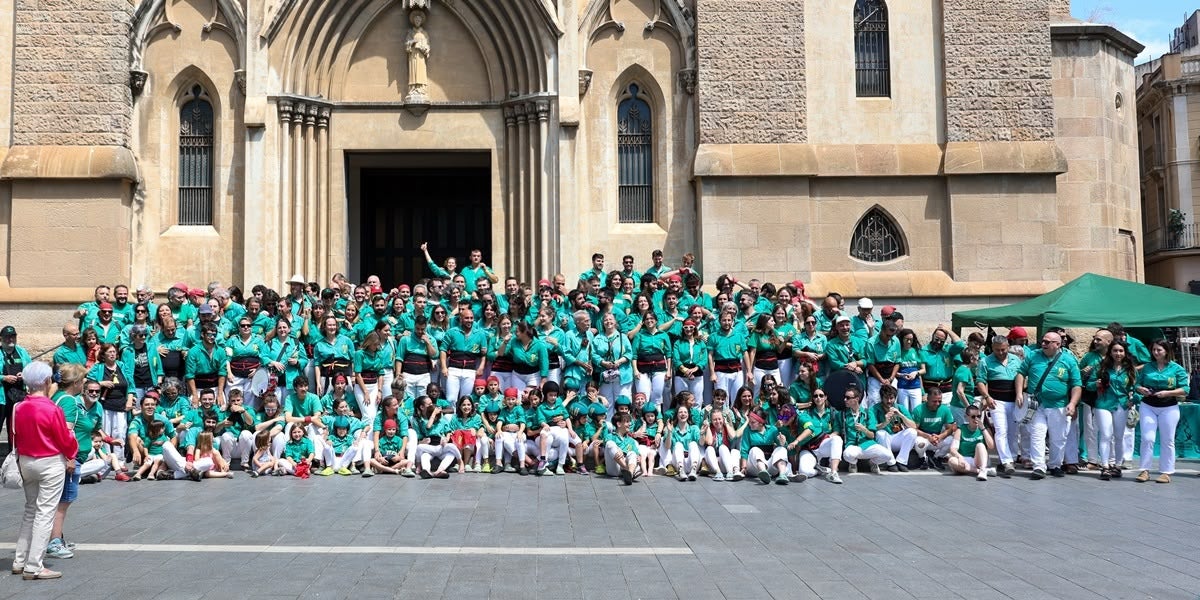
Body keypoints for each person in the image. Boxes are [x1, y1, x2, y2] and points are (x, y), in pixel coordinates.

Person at [11, 361, 76, 581]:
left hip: (26, 461)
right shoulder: (52, 408)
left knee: (30, 510)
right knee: (44, 513)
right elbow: (65, 440)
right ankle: (34, 565)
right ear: (47, 381)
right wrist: (73, 448)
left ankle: (20, 560)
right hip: (49, 463)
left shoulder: (18, 407)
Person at [47, 364, 99, 559]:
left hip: (65, 457)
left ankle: (57, 537)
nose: (84, 383)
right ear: (76, 382)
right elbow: (67, 430)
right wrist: (70, 457)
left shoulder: (58, 397)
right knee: (63, 502)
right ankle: (53, 542)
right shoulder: (68, 401)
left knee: (59, 501)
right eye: (83, 380)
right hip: (70, 458)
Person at [1015, 330, 1081, 480]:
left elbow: (1076, 384)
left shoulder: (1069, 360)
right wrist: (1019, 392)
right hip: (1036, 403)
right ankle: (1039, 466)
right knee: (1037, 434)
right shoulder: (1033, 355)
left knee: (1058, 438)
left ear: (1057, 344)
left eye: (1047, 342)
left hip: (1059, 405)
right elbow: (1020, 373)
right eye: (1042, 341)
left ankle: (1055, 465)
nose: (1043, 344)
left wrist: (1073, 403)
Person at [1133, 339, 1190, 484]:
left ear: (1166, 351)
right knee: (1147, 438)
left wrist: (1168, 393)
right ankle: (1144, 470)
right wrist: (1141, 389)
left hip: (1169, 407)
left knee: (1168, 440)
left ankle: (1166, 471)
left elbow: (1185, 389)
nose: (1156, 352)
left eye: (1159, 350)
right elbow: (1137, 384)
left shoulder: (1177, 368)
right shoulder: (1147, 367)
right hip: (1148, 405)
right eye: (1154, 350)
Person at [976, 335, 1022, 476]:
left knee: (1013, 431)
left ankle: (1012, 457)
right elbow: (980, 381)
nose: (1001, 353)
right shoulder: (985, 361)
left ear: (1008, 347)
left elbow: (1021, 377)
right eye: (997, 350)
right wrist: (987, 396)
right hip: (996, 401)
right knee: (1001, 430)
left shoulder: (1016, 360)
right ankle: (1006, 460)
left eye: (1003, 349)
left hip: (1013, 400)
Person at [1095, 341, 1137, 481]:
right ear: (1110, 352)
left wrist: (1134, 399)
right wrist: (1096, 384)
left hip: (1122, 404)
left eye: (1121, 351)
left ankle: (1118, 466)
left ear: (1125, 353)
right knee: (1106, 435)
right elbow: (1088, 384)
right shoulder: (1102, 367)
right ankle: (1105, 466)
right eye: (1115, 350)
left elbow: (1137, 387)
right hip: (1104, 403)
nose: (1118, 353)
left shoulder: (1130, 369)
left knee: (1119, 436)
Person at [839, 386, 898, 474]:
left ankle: (873, 462)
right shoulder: (841, 414)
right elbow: (837, 430)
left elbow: (872, 435)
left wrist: (864, 429)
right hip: (852, 445)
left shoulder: (868, 412)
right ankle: (853, 463)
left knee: (888, 455)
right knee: (847, 454)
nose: (845, 400)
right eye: (845, 397)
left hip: (868, 445)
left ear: (857, 399)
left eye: (848, 398)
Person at [871, 385, 916, 471]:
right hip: (883, 441)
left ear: (895, 398)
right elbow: (872, 428)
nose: (889, 401)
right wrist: (885, 422)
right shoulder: (874, 409)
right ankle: (891, 463)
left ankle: (901, 461)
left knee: (912, 432)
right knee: (880, 433)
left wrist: (900, 415)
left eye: (891, 398)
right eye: (886, 398)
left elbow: (913, 426)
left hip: (896, 438)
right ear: (881, 398)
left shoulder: (900, 407)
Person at [947, 406, 997, 481]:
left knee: (980, 445)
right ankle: (981, 471)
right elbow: (953, 449)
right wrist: (960, 457)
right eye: (973, 417)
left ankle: (982, 469)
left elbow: (991, 446)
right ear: (967, 417)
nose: (976, 419)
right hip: (965, 460)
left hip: (980, 460)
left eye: (978, 416)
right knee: (951, 461)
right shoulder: (961, 430)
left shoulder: (984, 429)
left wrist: (983, 428)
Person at [605, 412, 642, 485]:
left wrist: (638, 457)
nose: (630, 424)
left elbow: (637, 455)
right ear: (619, 424)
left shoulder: (631, 440)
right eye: (627, 422)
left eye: (629, 422)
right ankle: (628, 470)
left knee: (632, 453)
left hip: (625, 468)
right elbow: (607, 444)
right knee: (610, 444)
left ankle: (630, 474)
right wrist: (618, 448)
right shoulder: (610, 436)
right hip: (614, 469)